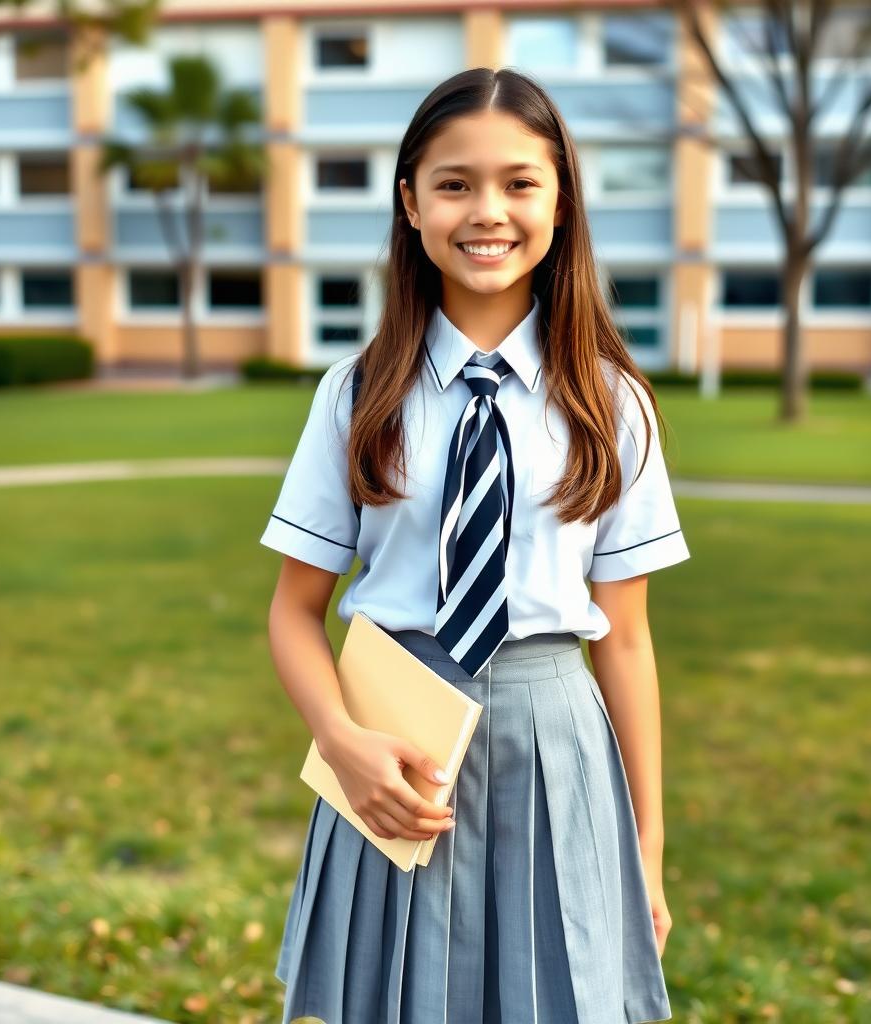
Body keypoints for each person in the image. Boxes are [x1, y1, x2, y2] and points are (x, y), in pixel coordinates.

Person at [260, 66, 690, 1024]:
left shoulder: (613, 405)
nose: (485, 210)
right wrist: (341, 741)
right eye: (454, 183)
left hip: (555, 750)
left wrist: (648, 857)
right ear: (410, 203)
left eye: (519, 182)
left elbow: (625, 641)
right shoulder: (356, 392)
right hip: (393, 755)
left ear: (561, 201)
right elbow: (294, 611)